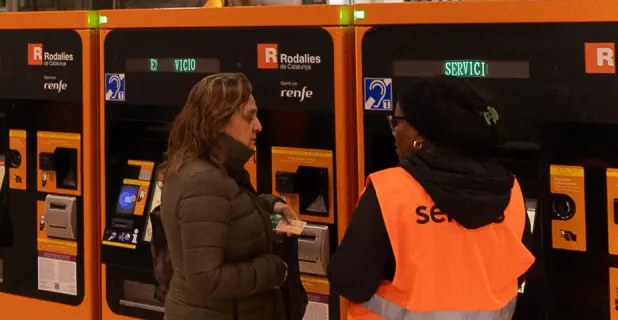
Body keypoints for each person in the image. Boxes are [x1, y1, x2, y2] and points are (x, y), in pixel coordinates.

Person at [329, 77, 535, 319]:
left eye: (397, 122)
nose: (394, 131)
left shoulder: (390, 191)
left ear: (421, 134)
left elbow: (351, 282)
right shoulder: (510, 191)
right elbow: (520, 270)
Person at [159, 73, 299, 320]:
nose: (258, 126)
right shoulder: (204, 181)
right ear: (218, 121)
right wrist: (273, 270)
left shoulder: (210, 168)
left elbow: (228, 206)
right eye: (248, 117)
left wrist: (270, 205)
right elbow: (206, 279)